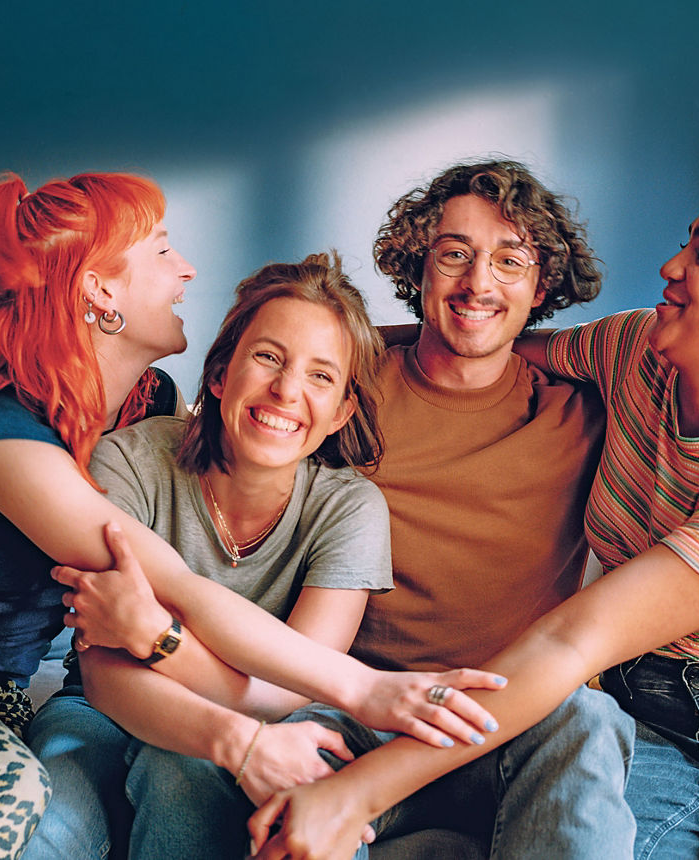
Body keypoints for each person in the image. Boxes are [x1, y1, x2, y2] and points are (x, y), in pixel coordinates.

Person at [78, 160, 699, 859]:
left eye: (509, 261)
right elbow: (254, 402)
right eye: (452, 255)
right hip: (346, 700)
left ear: (543, 286)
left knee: (591, 725)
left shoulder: (592, 399)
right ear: (417, 270)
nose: (478, 284)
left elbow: (579, 639)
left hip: (511, 717)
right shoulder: (339, 394)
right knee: (177, 763)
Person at [248, 173, 699, 860]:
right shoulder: (636, 350)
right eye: (685, 244)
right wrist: (339, 350)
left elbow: (575, 639)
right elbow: (494, 340)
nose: (670, 266)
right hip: (644, 708)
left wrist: (354, 795)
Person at [0, 173, 501, 860]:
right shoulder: (3, 438)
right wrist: (364, 690)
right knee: (8, 787)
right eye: (160, 252)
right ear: (99, 293)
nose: (185, 270)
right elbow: (175, 582)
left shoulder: (148, 403)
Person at [23, 252, 434, 859]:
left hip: (275, 727)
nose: (287, 391)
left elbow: (291, 690)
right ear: (220, 375)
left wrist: (156, 634)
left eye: (321, 376)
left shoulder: (350, 509)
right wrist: (215, 716)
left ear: (343, 410)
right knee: (45, 829)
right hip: (107, 713)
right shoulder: (127, 463)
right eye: (268, 357)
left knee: (208, 777)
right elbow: (107, 676)